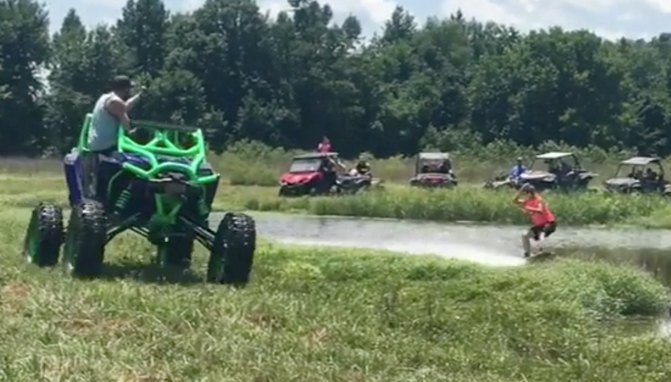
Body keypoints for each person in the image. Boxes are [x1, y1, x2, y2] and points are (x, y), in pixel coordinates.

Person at [82, 75, 145, 199]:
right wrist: (133, 133)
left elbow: (124, 108)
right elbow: (126, 123)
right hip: (106, 146)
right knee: (137, 164)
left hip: (96, 144)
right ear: (126, 89)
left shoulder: (105, 98)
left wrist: (139, 96)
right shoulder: (116, 102)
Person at [513, 183, 557, 258]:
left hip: (549, 223)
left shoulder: (538, 199)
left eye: (526, 194)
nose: (525, 196)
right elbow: (515, 201)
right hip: (539, 225)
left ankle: (540, 251)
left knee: (541, 234)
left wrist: (528, 208)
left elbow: (540, 210)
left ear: (530, 193)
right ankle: (527, 254)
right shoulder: (527, 201)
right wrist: (520, 191)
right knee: (525, 235)